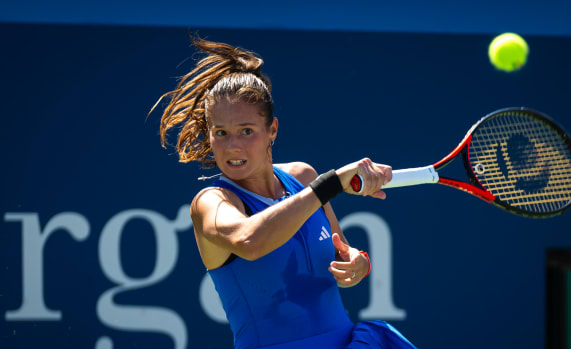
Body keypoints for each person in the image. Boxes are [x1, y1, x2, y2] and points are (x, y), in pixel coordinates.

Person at [153, 36, 417, 349]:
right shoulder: (211, 203)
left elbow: (342, 251)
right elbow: (250, 241)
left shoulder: (303, 177)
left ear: (272, 130)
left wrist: (358, 263)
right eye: (221, 133)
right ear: (210, 136)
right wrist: (330, 184)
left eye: (246, 131)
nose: (233, 145)